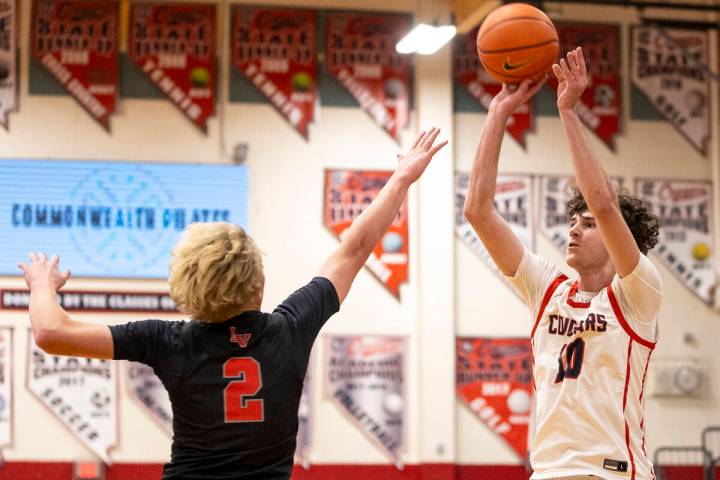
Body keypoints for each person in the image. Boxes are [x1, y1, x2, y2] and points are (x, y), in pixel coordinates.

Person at [18, 128, 447, 480]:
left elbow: (51, 332)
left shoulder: (167, 341)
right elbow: (353, 249)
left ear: (185, 284)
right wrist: (401, 179)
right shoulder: (290, 328)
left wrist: (42, 285)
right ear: (259, 283)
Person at [464, 48, 661, 480]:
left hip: (611, 472)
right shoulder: (548, 289)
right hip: (549, 472)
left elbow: (606, 205)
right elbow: (478, 212)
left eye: (587, 225)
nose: (573, 230)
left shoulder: (639, 294)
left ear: (616, 240)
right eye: (572, 222)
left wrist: (568, 110)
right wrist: (497, 113)